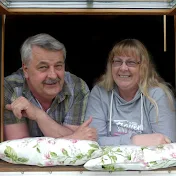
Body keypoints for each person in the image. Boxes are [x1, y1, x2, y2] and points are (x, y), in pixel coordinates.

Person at [4, 33, 96, 141]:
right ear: (26, 70)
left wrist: (39, 115)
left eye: (58, 66)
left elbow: (76, 147)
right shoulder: (10, 88)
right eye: (43, 67)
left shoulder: (77, 87)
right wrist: (71, 139)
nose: (53, 75)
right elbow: (19, 149)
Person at [85, 39, 176, 146]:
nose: (123, 68)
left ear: (143, 67)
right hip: (106, 161)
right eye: (118, 61)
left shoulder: (157, 95)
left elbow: (167, 143)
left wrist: (109, 142)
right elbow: (92, 142)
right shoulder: (100, 92)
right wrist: (134, 140)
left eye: (131, 62)